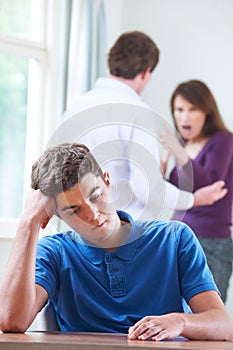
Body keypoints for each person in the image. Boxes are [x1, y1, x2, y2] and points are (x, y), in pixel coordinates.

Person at [0, 142, 233, 341]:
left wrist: (180, 322)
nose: (93, 215)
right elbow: (12, 321)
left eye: (96, 196)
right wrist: (28, 224)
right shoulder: (54, 253)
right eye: (74, 210)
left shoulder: (173, 238)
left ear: (108, 182)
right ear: (54, 215)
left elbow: (224, 324)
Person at [61, 31, 227, 220]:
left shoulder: (75, 108)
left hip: (77, 225)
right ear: (146, 72)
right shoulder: (138, 112)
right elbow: (145, 189)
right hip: (122, 228)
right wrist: (192, 200)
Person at [159, 79, 233, 303]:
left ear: (206, 112)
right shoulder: (182, 145)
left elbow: (209, 184)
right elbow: (177, 196)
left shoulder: (222, 141)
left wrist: (178, 154)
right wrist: (160, 174)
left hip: (210, 241)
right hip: (177, 237)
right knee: (172, 310)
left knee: (208, 314)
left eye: (193, 109)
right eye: (179, 110)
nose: (184, 117)